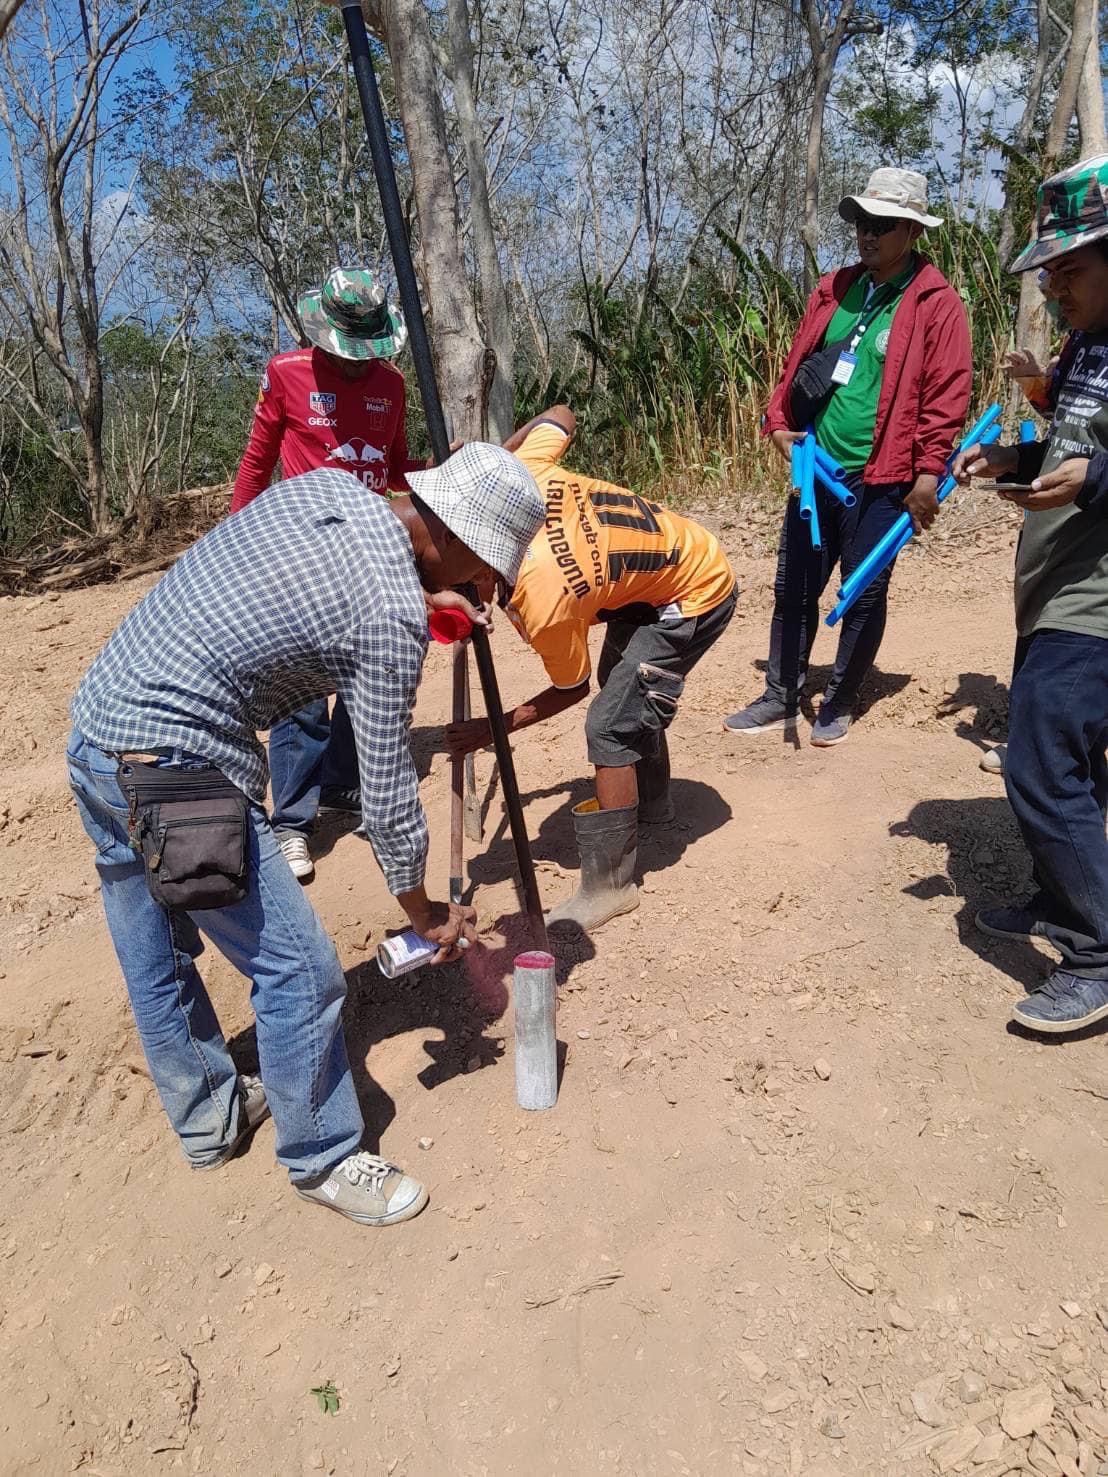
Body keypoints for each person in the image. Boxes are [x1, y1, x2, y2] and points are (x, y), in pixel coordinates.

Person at [68, 445, 545, 1224]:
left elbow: (300, 597)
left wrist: (414, 604)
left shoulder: (333, 489)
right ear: (455, 537)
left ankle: (209, 1118)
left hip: (101, 725)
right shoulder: (388, 614)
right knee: (300, 969)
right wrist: (423, 911)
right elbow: (388, 790)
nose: (487, 589)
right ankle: (322, 1154)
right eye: (487, 569)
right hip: (175, 765)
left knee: (153, 943)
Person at [446, 406, 737, 932]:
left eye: (465, 581)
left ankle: (611, 886)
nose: (465, 594)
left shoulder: (544, 598)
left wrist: (493, 728)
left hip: (695, 590)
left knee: (609, 723)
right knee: (625, 696)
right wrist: (496, 463)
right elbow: (561, 414)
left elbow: (570, 688)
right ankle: (653, 803)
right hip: (655, 575)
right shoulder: (524, 477)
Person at [724, 166, 972, 747]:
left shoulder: (936, 304)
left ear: (912, 233)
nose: (867, 235)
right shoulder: (834, 288)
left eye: (882, 226)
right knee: (793, 586)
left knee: (862, 590)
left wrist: (929, 473)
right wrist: (780, 424)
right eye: (862, 223)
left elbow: (946, 394)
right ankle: (779, 694)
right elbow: (798, 364)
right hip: (818, 466)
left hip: (885, 478)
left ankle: (839, 698)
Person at [953, 154, 1108, 1036]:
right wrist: (1016, 458)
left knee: (1039, 759)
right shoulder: (1088, 343)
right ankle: (1061, 900)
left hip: (1097, 595)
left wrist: (1095, 478)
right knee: (1068, 761)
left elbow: (1099, 464)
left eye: (1071, 269)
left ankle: (1097, 952)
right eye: (1048, 272)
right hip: (1054, 582)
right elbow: (1075, 442)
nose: (1055, 289)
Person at [231, 267, 423, 883]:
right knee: (304, 693)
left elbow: (393, 465)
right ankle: (291, 822)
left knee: (367, 671)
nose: (351, 365)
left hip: (370, 549)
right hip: (299, 552)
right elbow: (257, 462)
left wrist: (440, 473)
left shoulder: (390, 387)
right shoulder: (285, 374)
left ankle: (345, 784)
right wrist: (240, 541)